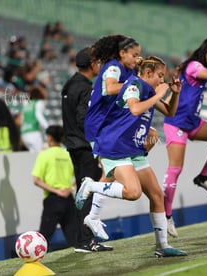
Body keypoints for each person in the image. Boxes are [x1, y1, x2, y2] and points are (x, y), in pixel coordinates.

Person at [76, 56, 187, 257]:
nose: (162, 81)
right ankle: (90, 186)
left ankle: (163, 246)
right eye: (160, 76)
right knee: (133, 192)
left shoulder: (150, 90)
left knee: (156, 195)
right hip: (114, 146)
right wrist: (158, 95)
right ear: (147, 73)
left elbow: (170, 112)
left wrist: (175, 94)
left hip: (132, 148)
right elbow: (135, 109)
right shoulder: (134, 85)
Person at [162, 38, 207, 237]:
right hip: (176, 123)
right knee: (175, 169)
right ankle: (166, 216)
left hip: (192, 122)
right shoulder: (194, 66)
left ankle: (203, 177)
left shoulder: (198, 66)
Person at [61, 47, 112, 252]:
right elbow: (84, 119)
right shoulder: (85, 87)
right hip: (84, 146)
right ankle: (85, 240)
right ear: (92, 65)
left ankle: (82, 239)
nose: (99, 65)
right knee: (88, 192)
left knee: (83, 192)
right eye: (98, 62)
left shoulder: (69, 84)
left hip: (74, 145)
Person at [32, 125, 78, 249]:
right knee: (74, 239)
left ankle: (37, 266)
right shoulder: (68, 154)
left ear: (49, 138)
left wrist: (57, 191)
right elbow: (79, 178)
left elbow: (36, 180)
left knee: (43, 239)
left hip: (53, 199)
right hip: (69, 199)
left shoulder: (44, 155)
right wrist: (70, 189)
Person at [20, 86, 48, 152]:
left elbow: (22, 119)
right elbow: (39, 116)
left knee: (32, 155)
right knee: (40, 154)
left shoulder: (26, 104)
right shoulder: (39, 102)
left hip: (24, 133)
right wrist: (48, 127)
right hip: (34, 132)